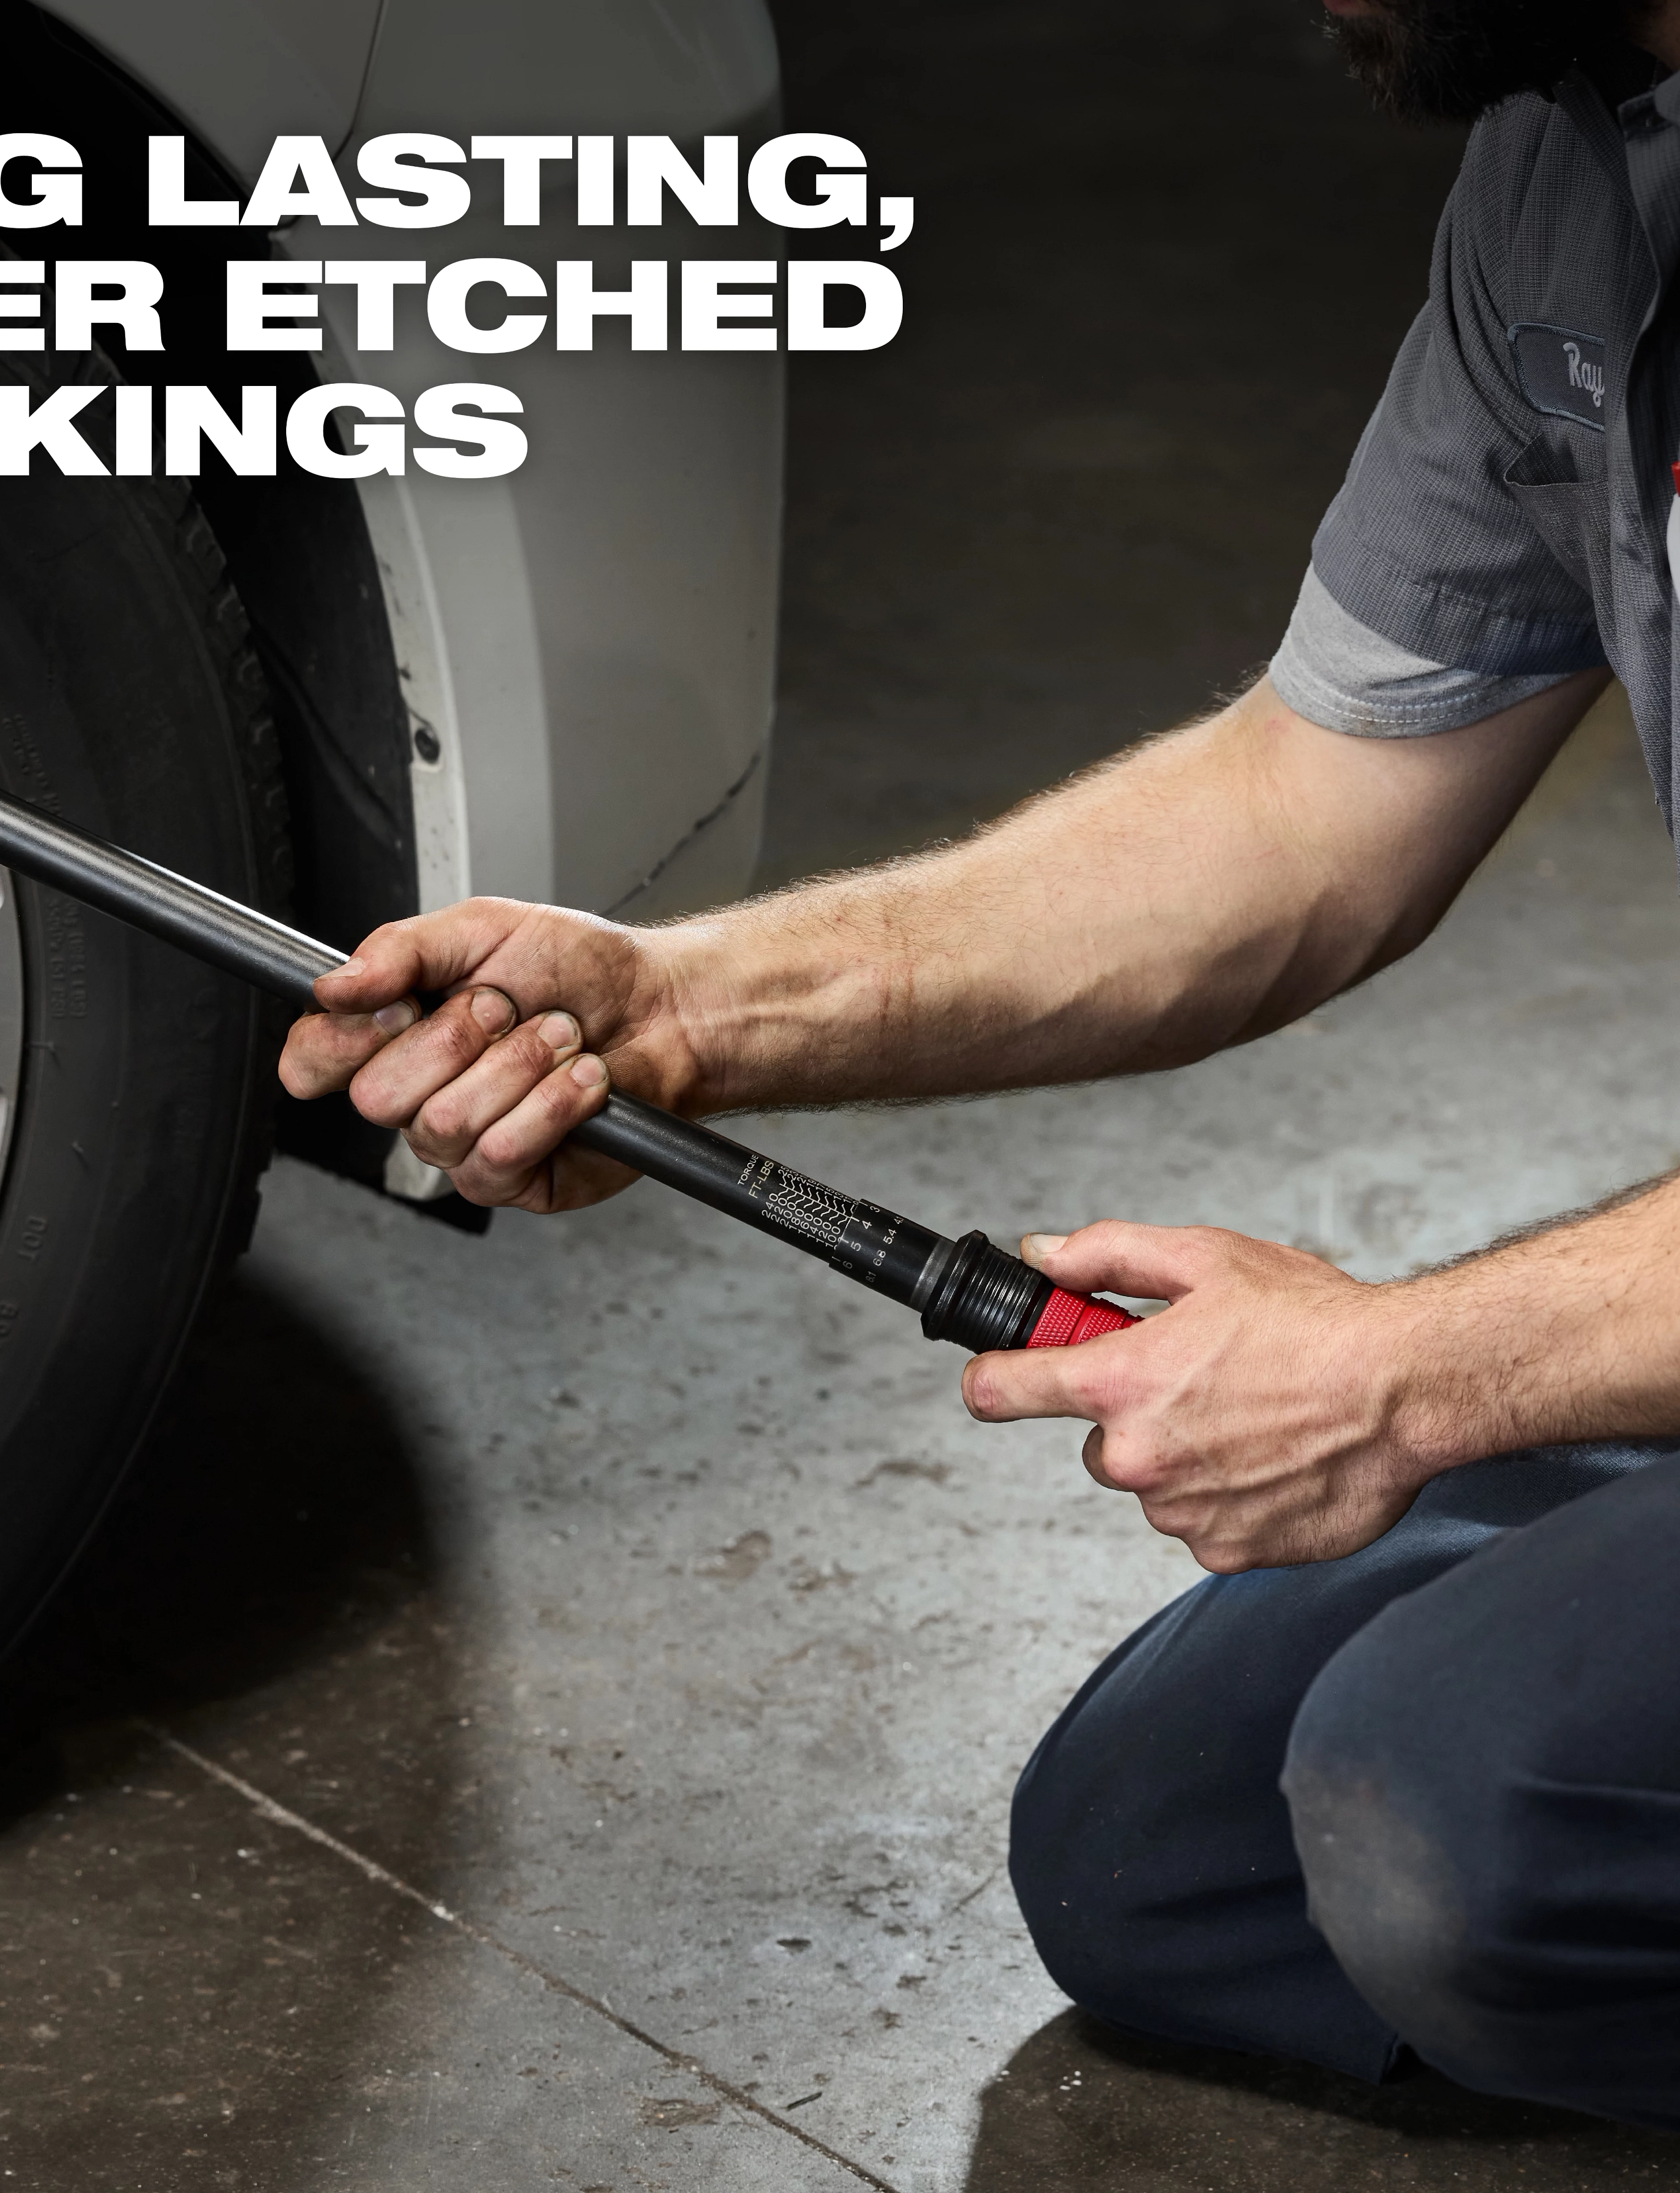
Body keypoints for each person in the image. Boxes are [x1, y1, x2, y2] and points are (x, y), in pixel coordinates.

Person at [280, 0, 1680, 2130]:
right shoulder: (1580, 181)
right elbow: (1302, 814)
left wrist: (1420, 1368)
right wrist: (681, 1011)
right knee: (1160, 1856)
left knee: (1469, 1830)